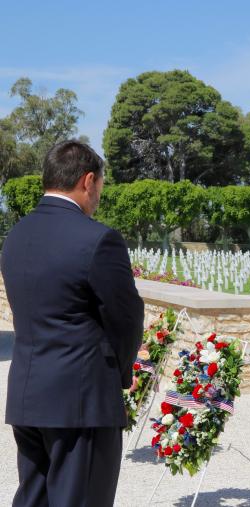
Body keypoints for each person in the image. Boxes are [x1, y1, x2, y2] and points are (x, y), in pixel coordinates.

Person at [1, 140, 144, 506]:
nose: (98, 196)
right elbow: (127, 318)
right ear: (88, 180)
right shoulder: (98, 239)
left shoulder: (15, 237)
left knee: (34, 499)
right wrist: (123, 375)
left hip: (28, 395)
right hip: (82, 402)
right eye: (99, 187)